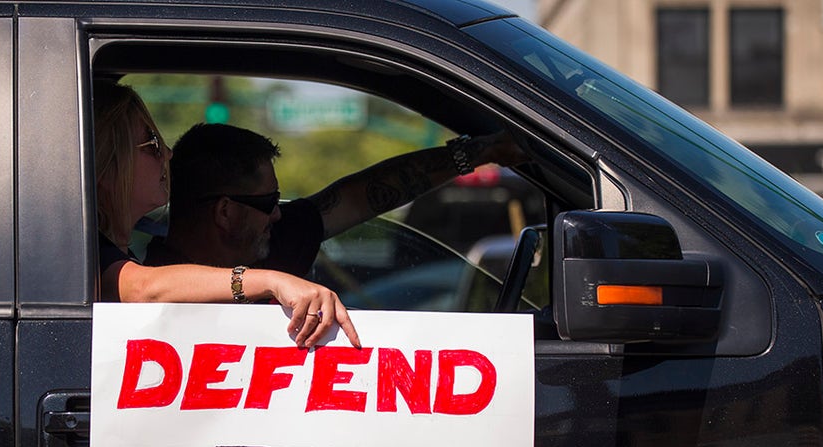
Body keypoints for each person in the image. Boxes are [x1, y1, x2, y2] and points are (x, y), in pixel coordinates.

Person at [92, 80, 358, 349]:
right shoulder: (85, 254)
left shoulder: (111, 252)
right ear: (107, 162)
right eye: (151, 144)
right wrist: (271, 280)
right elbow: (141, 288)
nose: (168, 154)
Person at [146, 122, 527, 277]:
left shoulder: (270, 242)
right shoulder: (146, 292)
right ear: (225, 212)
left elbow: (362, 195)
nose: (278, 214)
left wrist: (479, 153)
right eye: (267, 203)